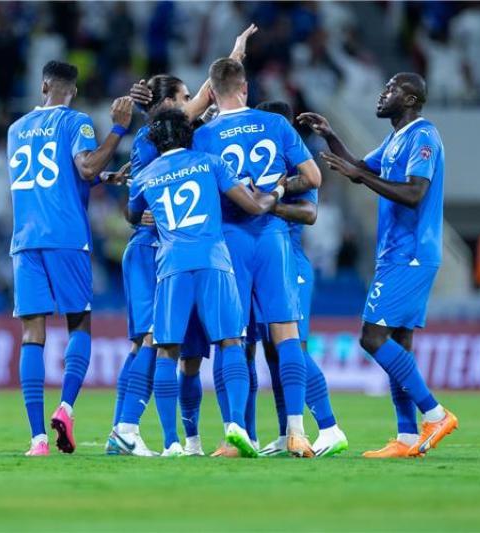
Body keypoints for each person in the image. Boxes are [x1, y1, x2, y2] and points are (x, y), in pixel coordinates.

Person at [107, 24, 258, 458]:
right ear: (168, 104)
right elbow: (213, 94)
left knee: (178, 351)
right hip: (154, 248)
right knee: (151, 342)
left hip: (170, 251)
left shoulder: (159, 156)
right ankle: (126, 427)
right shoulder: (166, 144)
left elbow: (133, 203)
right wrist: (234, 57)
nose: (192, 102)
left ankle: (179, 440)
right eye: (183, 96)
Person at [298, 72, 458, 458]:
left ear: (411, 99)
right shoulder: (395, 139)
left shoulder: (423, 136)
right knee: (398, 344)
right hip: (396, 253)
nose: (383, 94)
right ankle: (406, 437)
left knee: (372, 338)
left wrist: (359, 175)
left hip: (411, 252)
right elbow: (361, 169)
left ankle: (435, 414)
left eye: (391, 89)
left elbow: (414, 193)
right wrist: (330, 135)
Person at [125, 108, 283, 457]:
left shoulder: (144, 177)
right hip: (214, 261)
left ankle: (171, 442)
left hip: (172, 266)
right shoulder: (211, 162)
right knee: (231, 342)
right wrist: (278, 191)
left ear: (155, 140)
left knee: (167, 350)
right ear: (189, 134)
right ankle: (236, 426)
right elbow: (254, 206)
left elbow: (132, 214)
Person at [193, 58, 322, 457]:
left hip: (229, 240)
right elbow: (314, 178)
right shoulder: (276, 124)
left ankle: (235, 436)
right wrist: (276, 191)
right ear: (245, 88)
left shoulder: (204, 135)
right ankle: (296, 432)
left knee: (231, 337)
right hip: (273, 238)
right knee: (287, 334)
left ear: (212, 93)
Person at [8, 60, 133, 457]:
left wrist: (101, 177)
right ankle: (65, 408)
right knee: (79, 322)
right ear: (72, 91)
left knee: (32, 334)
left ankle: (37, 440)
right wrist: (118, 129)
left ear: (44, 86)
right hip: (65, 236)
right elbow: (85, 165)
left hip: (25, 239)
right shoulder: (76, 121)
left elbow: (60, 174)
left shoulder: (16, 129)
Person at [251, 100, 348, 458]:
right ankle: (285, 433)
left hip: (291, 265)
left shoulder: (297, 166)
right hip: (268, 264)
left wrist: (267, 202)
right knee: (274, 354)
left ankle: (329, 428)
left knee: (295, 348)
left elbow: (309, 213)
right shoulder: (266, 166)